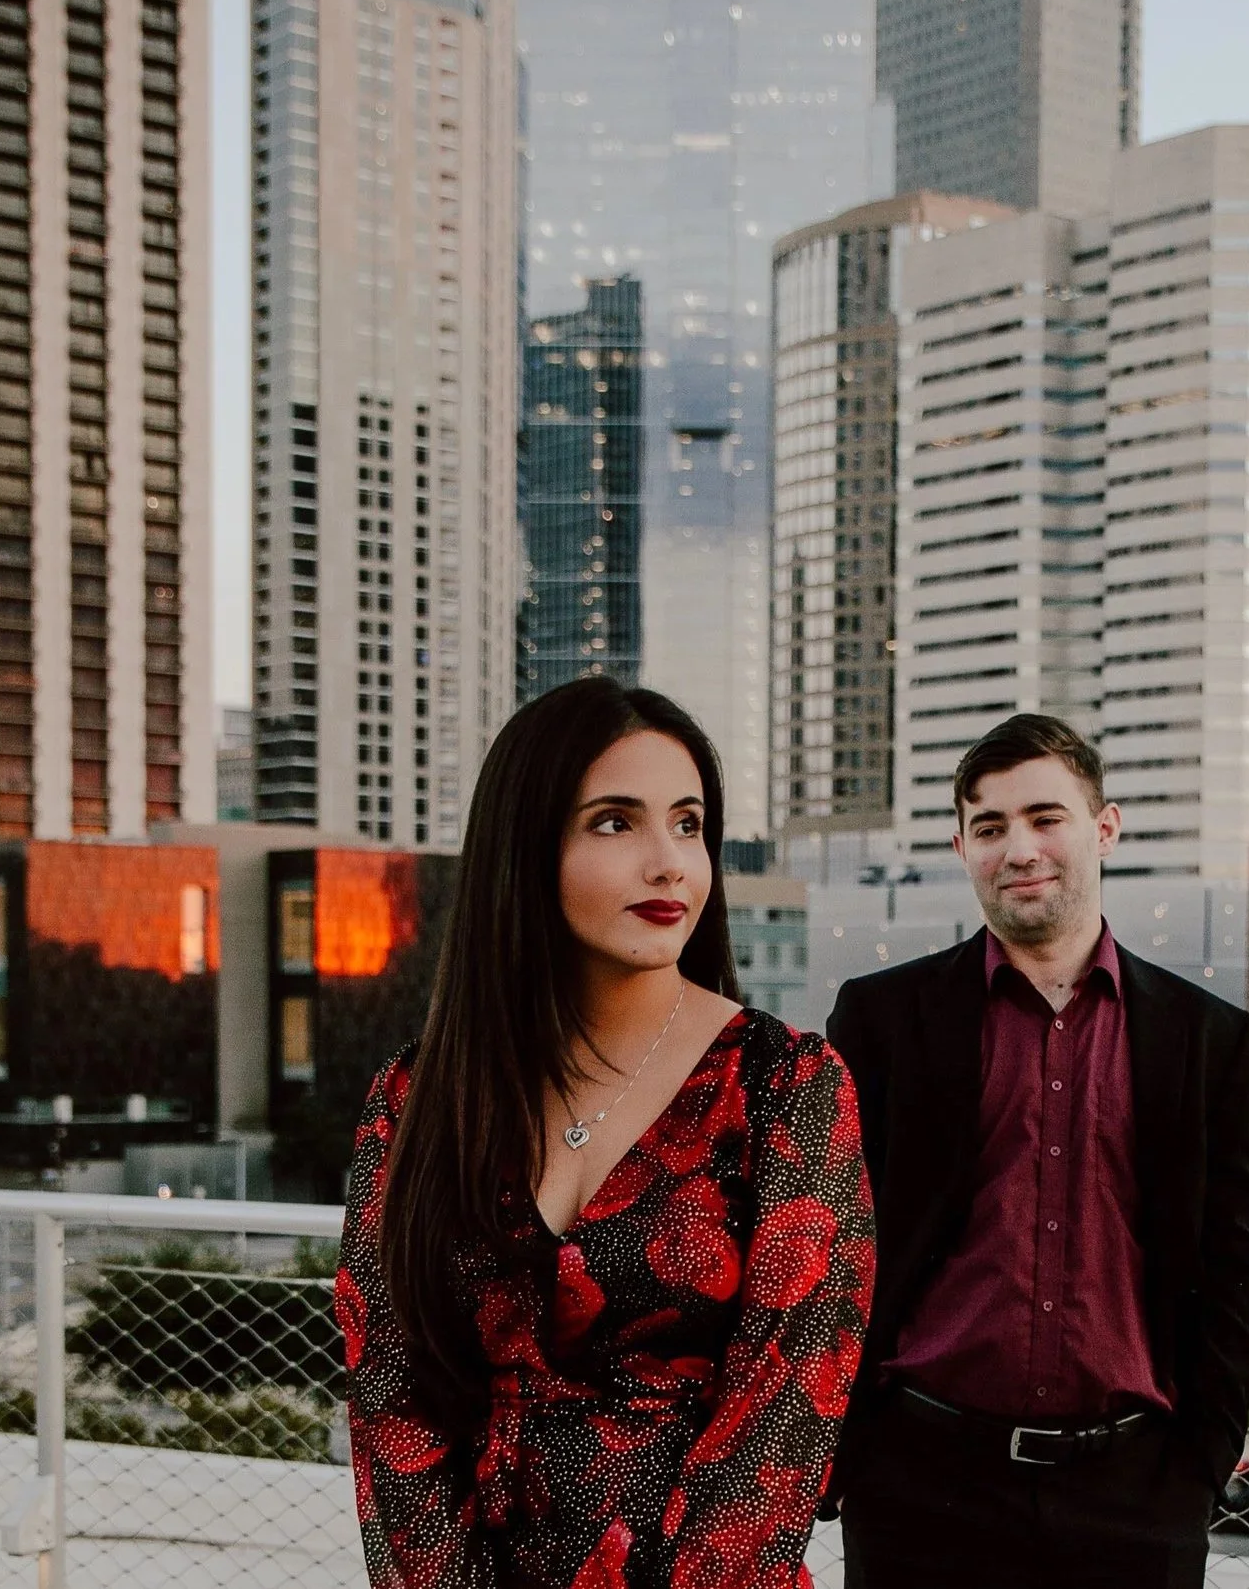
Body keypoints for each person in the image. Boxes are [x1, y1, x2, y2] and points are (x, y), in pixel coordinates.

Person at [335, 677, 875, 1589]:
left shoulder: (787, 1089)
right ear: (526, 847)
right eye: (616, 822)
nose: (670, 863)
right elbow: (391, 1383)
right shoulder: (420, 1092)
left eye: (689, 823)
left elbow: (784, 1418)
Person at [825, 714, 1249, 1588]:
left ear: (1104, 827)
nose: (1019, 849)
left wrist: (1200, 1470)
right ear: (961, 848)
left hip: (1134, 1493)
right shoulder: (882, 1019)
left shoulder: (1204, 1036)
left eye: (1045, 817)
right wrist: (852, 1451)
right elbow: (835, 1246)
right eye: (990, 828)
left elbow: (1228, 1267)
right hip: (923, 1484)